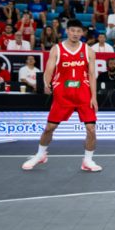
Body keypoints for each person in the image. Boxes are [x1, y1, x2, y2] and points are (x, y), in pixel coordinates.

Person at [22, 20, 101, 172]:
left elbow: (92, 74)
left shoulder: (89, 51)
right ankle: (40, 155)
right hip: (63, 95)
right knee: (49, 128)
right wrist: (46, 83)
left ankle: (88, 161)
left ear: (82, 33)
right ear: (67, 31)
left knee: (91, 130)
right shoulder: (57, 49)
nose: (75, 34)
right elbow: (49, 70)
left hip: (83, 95)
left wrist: (94, 97)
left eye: (78, 31)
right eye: (73, 30)